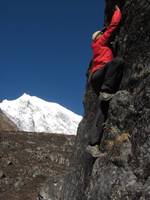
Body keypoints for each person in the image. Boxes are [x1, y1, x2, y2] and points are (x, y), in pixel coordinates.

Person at [86, 5, 124, 157]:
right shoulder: (100, 42)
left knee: (102, 110)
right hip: (100, 76)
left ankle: (93, 144)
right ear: (98, 37)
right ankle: (107, 90)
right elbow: (112, 27)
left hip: (96, 78)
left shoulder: (97, 47)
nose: (103, 34)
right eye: (101, 34)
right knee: (118, 62)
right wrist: (118, 11)